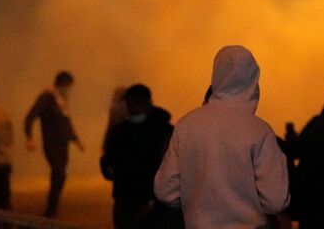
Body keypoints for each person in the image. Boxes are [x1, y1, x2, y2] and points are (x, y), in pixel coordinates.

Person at [154, 45, 290, 228]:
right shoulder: (259, 131)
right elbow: (275, 200)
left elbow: (165, 190)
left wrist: (195, 203)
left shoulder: (186, 125)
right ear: (253, 82)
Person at [101, 84, 174, 229]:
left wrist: (152, 202)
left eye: (131, 102)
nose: (128, 107)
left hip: (139, 200)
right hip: (137, 199)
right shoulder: (165, 130)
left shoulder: (160, 132)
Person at [24, 70, 85, 218]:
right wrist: (29, 137)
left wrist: (76, 140)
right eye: (67, 86)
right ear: (62, 84)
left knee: (60, 175)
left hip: (63, 144)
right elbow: (30, 117)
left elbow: (66, 122)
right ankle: (50, 210)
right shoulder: (47, 98)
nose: (68, 90)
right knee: (59, 174)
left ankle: (52, 208)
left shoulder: (60, 100)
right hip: (52, 145)